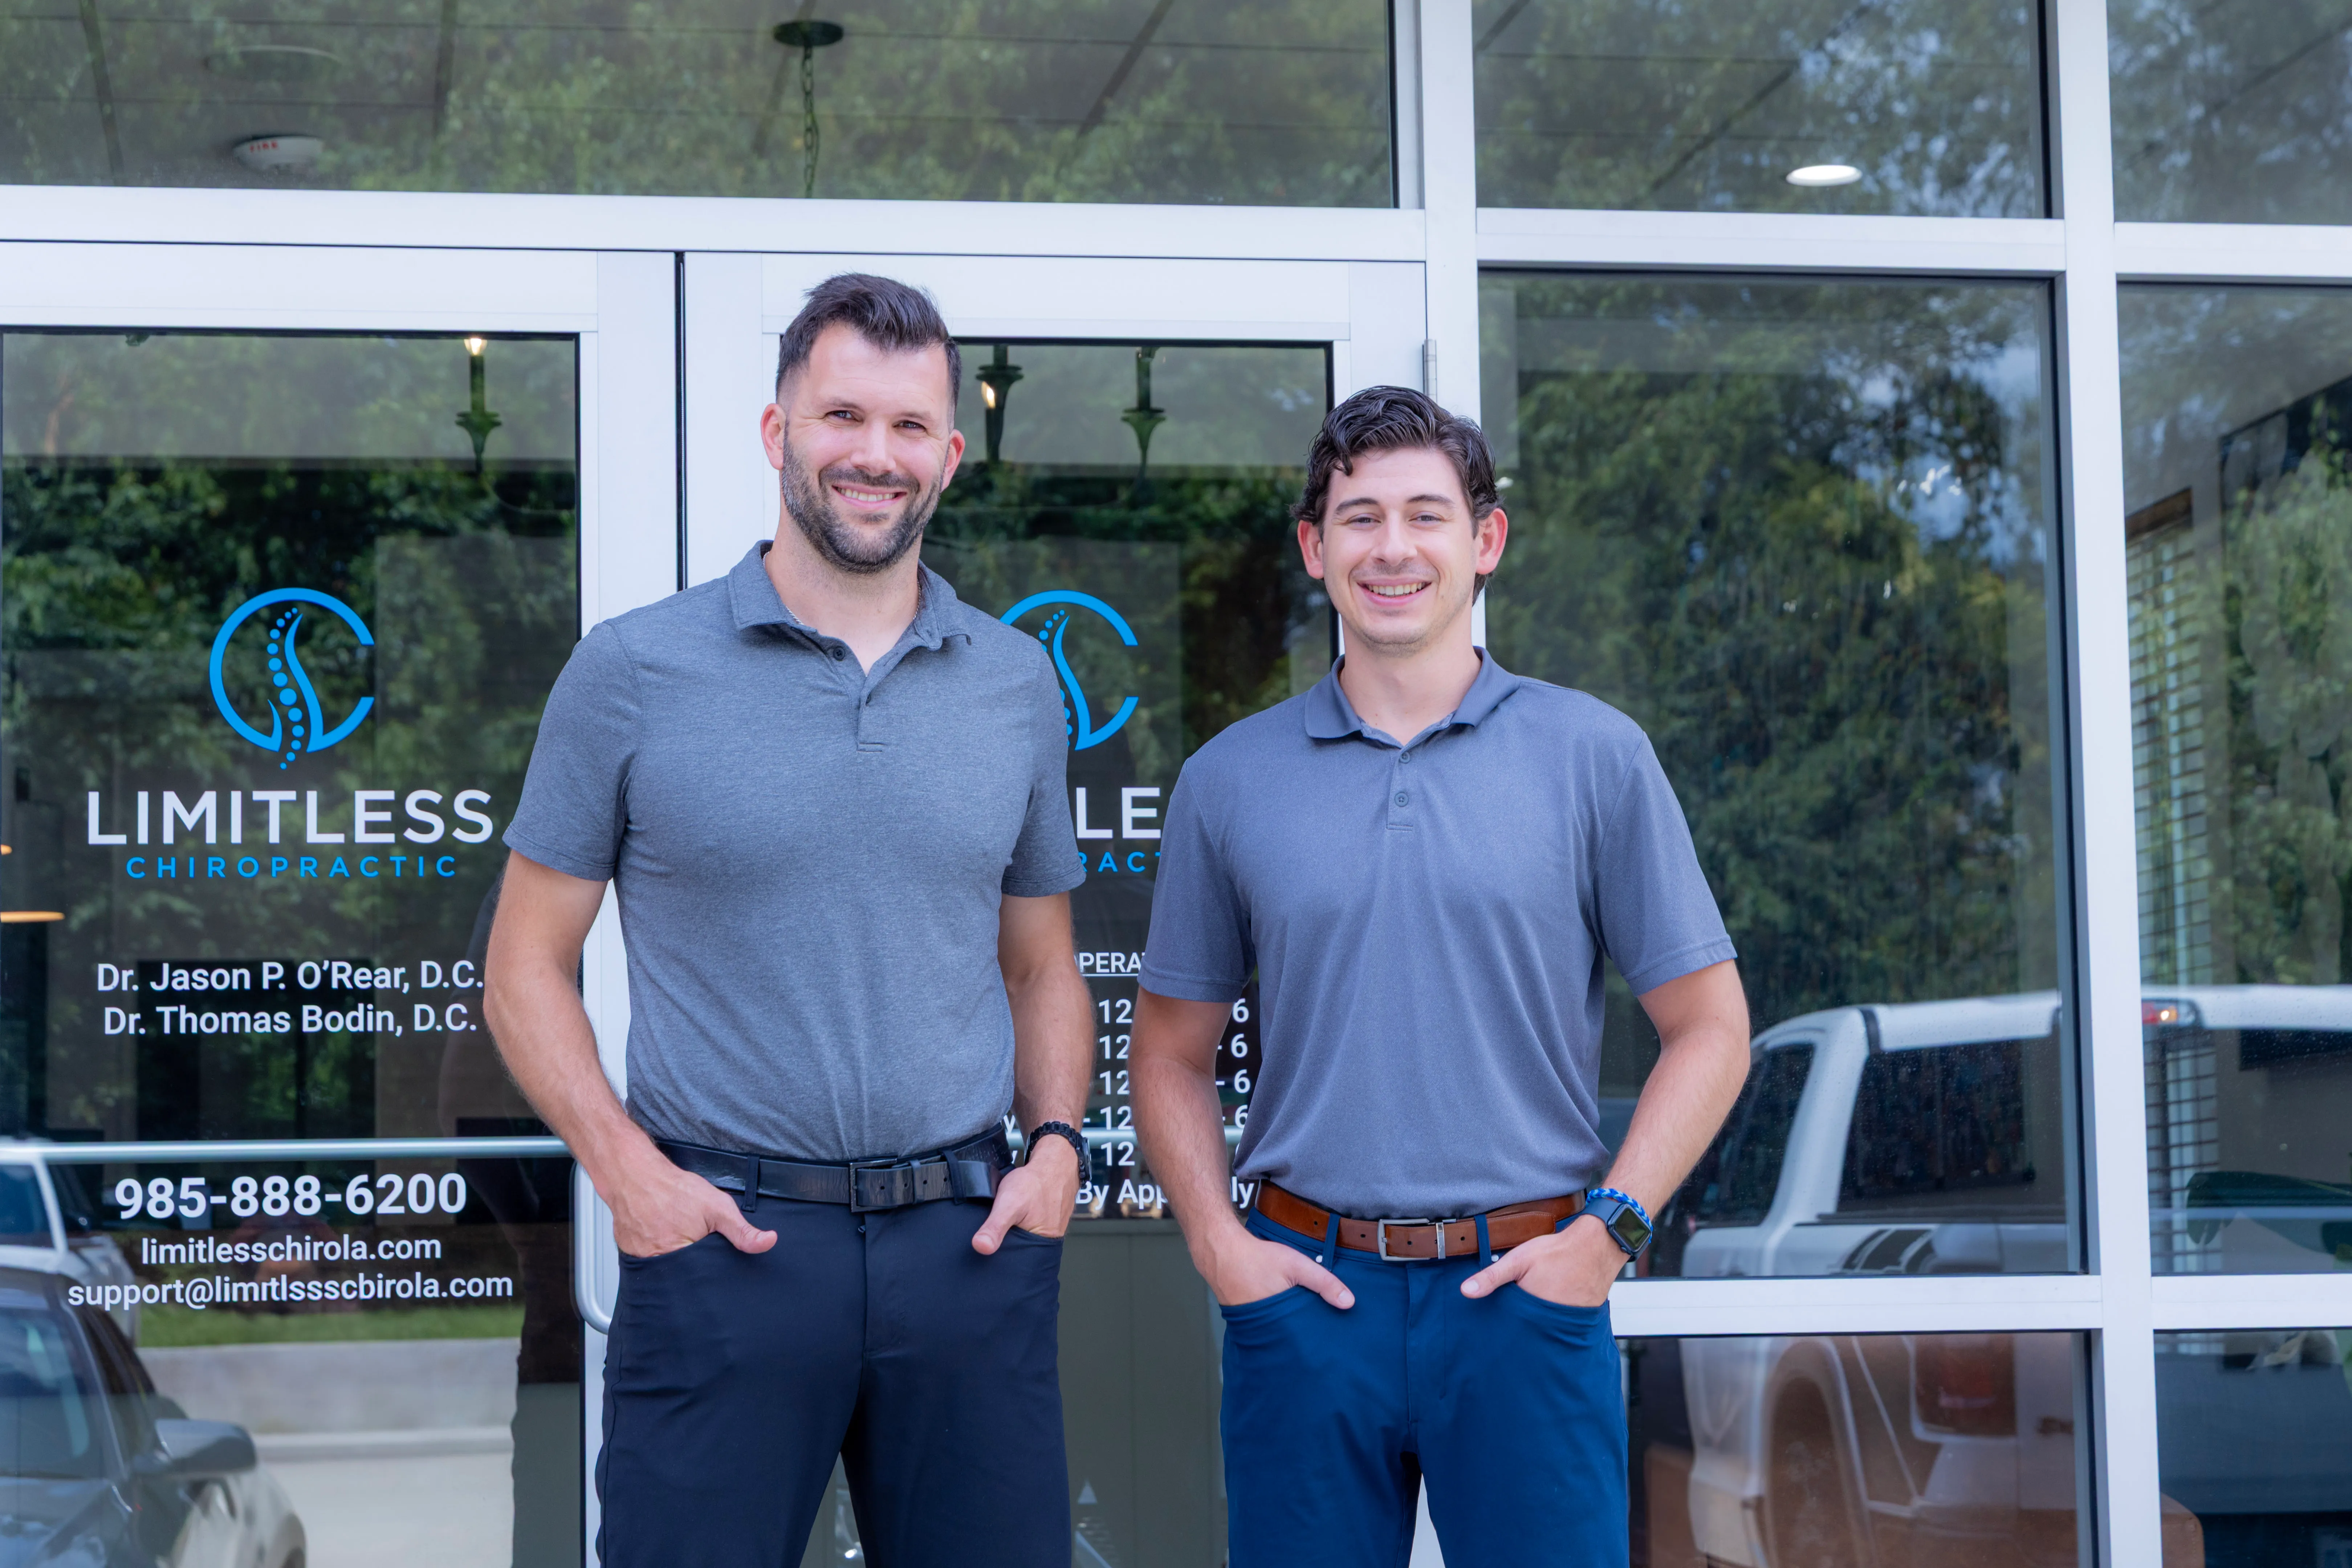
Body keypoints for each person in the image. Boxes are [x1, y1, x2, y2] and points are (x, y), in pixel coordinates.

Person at [484, 273, 1094, 1567]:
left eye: (909, 427)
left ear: (950, 454)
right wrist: (627, 1175)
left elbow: (1041, 964)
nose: (875, 456)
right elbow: (523, 966)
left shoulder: (1014, 684)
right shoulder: (633, 671)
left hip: (966, 1241)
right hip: (725, 1241)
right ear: (780, 434)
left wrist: (1054, 1148)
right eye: (842, 417)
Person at [1129, 385, 1753, 1566]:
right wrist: (1218, 1244)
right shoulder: (1229, 781)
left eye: (1426, 513)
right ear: (1316, 551)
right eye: (1358, 518)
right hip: (1306, 1304)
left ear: (1485, 541)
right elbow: (1166, 1054)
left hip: (1526, 1298)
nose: (1394, 548)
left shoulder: (1593, 758)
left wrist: (1606, 1234)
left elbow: (1711, 1028)